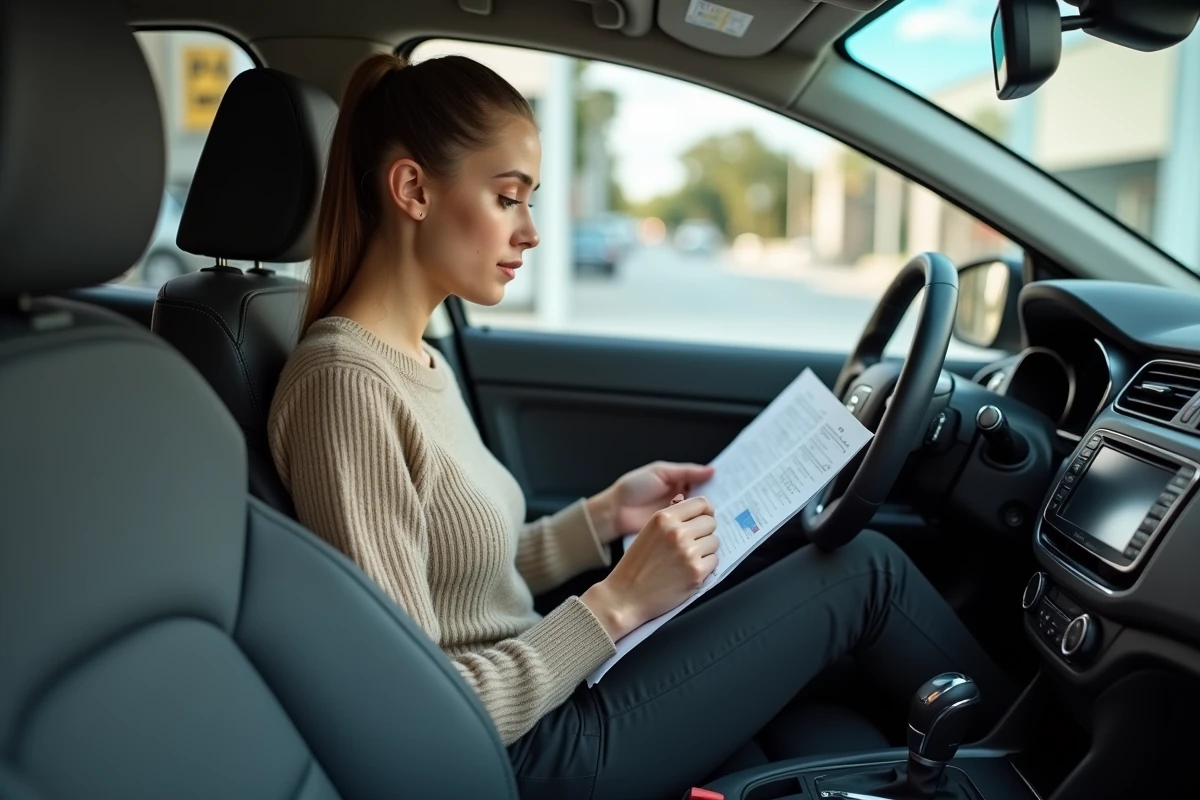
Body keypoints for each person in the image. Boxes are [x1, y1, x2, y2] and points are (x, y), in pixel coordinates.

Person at [267, 53, 1016, 800]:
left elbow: (461, 579)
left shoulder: (416, 358)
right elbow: (411, 707)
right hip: (525, 753)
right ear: (412, 189)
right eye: (508, 198)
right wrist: (616, 602)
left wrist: (601, 517)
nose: (530, 230)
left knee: (815, 632)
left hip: (548, 688)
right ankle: (1041, 760)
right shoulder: (346, 386)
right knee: (867, 573)